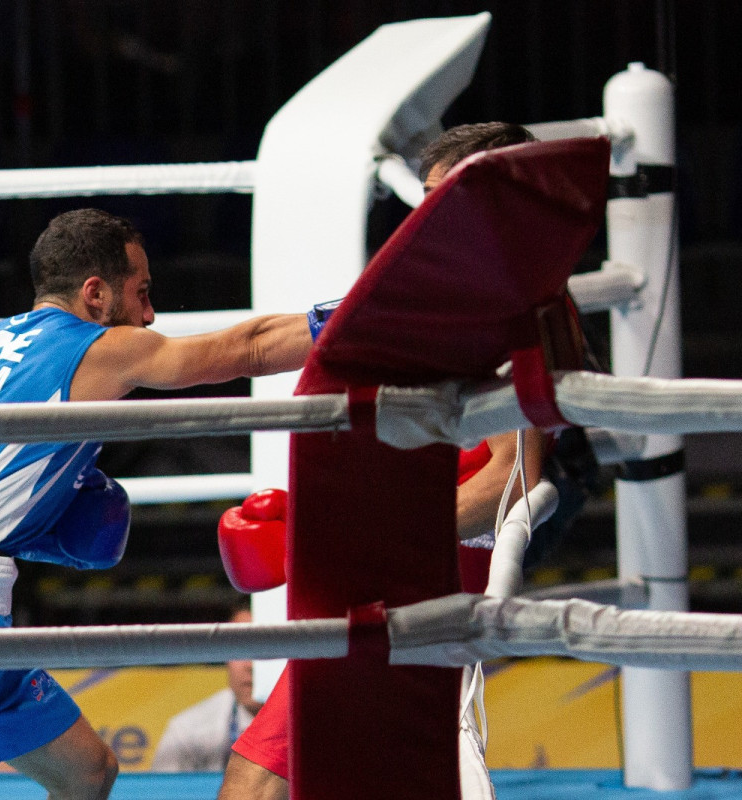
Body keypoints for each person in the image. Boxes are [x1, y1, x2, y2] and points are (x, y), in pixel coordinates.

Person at [0, 207, 318, 800]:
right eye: (142, 293)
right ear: (95, 294)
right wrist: (357, 319)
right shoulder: (95, 348)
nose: (150, 314)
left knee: (86, 771)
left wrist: (24, 525)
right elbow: (252, 349)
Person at [214, 122, 551, 800]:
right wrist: (149, 367)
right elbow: (266, 341)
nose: (425, 215)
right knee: (259, 780)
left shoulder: (524, 309)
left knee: (271, 782)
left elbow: (515, 481)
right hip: (368, 584)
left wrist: (377, 536)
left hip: (432, 592)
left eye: (444, 196)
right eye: (425, 196)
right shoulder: (411, 298)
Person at [151, 606, 263, 773]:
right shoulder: (186, 732)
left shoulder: (315, 729)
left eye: (266, 649)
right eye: (241, 647)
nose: (250, 665)